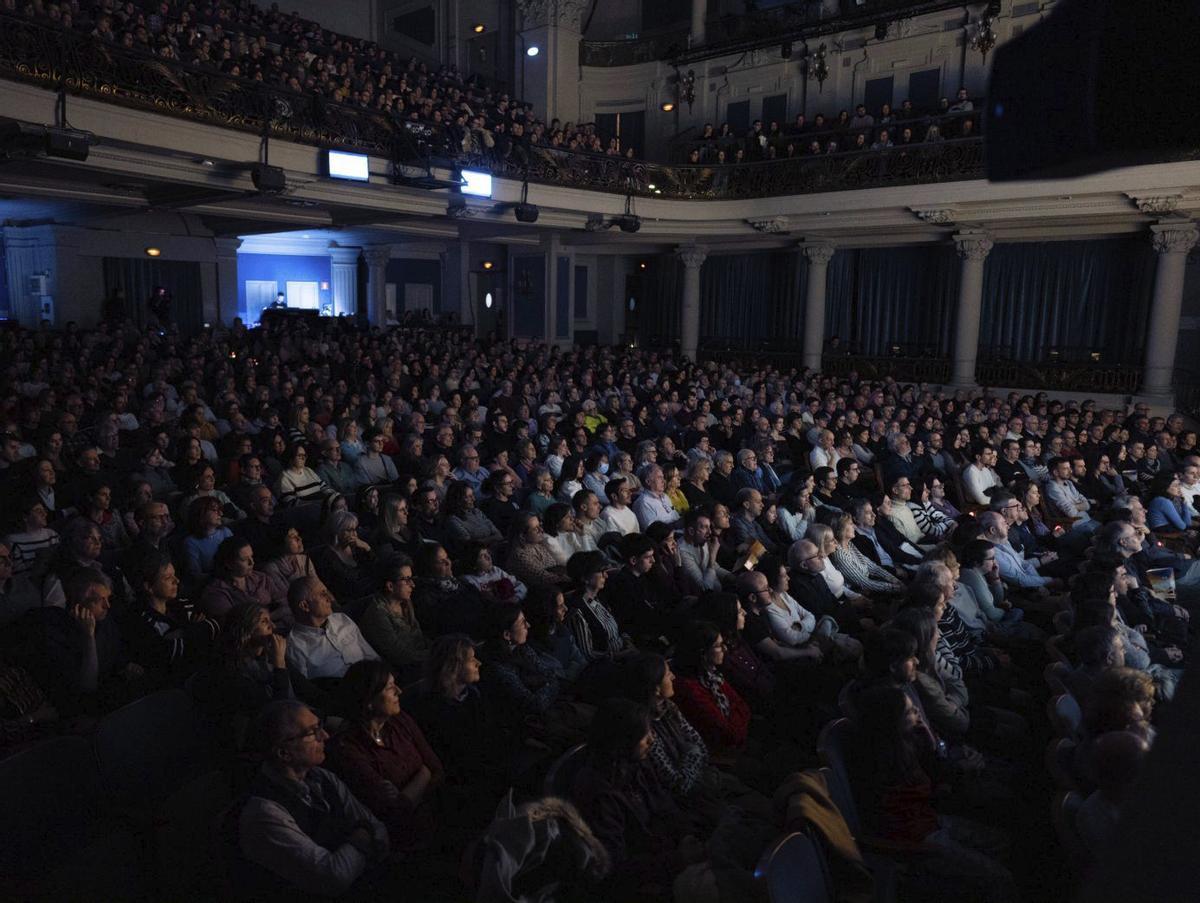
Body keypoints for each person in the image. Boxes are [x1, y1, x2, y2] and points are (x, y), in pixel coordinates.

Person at [844, 684, 1017, 903]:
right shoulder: (883, 767)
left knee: (1003, 843)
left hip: (931, 821)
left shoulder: (904, 746)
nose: (917, 712)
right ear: (891, 724)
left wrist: (928, 740)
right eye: (909, 711)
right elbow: (901, 821)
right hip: (921, 843)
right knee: (1001, 879)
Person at [236, 699, 389, 897]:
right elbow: (333, 878)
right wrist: (362, 836)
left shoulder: (322, 777)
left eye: (321, 727)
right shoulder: (263, 813)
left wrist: (359, 842)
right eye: (312, 732)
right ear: (284, 753)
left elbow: (380, 831)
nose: (325, 735)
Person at [325, 661, 444, 856]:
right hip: (401, 844)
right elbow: (392, 812)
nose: (399, 691)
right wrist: (423, 773)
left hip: (435, 819)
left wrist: (408, 793)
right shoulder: (348, 749)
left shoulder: (400, 720)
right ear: (369, 699)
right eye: (390, 688)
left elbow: (437, 770)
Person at [671, 620, 752, 758]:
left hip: (739, 741)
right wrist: (738, 716)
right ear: (702, 653)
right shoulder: (689, 689)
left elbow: (744, 707)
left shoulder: (711, 673)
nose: (725, 649)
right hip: (721, 754)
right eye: (719, 646)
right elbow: (729, 734)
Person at [285, 576, 379, 681]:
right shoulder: (294, 646)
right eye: (322, 594)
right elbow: (306, 690)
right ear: (305, 606)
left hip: (374, 680)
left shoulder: (342, 619)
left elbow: (370, 654)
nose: (329, 598)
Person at [355, 555, 430, 683]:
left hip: (422, 660)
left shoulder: (405, 602)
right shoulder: (377, 615)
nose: (412, 584)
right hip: (403, 673)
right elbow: (399, 655)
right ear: (390, 586)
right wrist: (433, 656)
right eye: (406, 580)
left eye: (411, 578)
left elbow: (418, 636)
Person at [565, 550, 633, 662]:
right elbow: (588, 654)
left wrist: (628, 643)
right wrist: (620, 655)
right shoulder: (577, 611)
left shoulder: (600, 597)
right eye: (601, 571)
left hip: (624, 653)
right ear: (584, 578)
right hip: (609, 666)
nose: (606, 575)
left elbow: (618, 627)